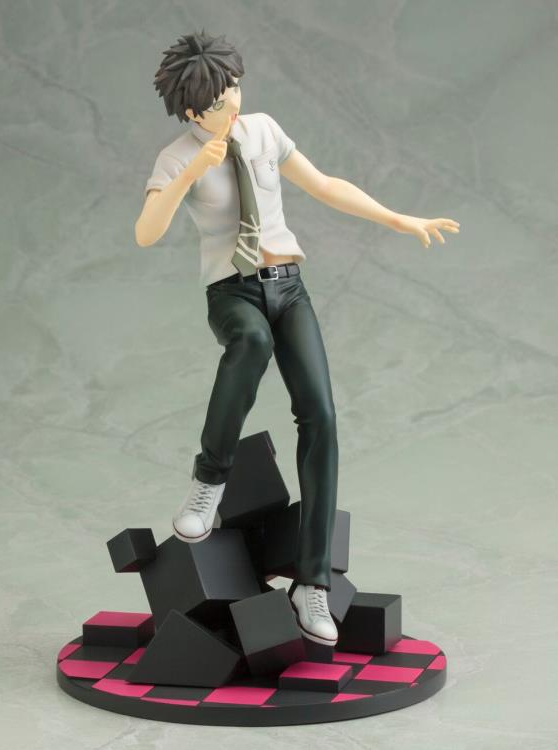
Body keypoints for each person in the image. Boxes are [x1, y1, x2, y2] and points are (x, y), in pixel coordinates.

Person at [134, 29, 460, 647]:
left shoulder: (261, 130)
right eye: (218, 101)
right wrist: (190, 174)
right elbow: (147, 232)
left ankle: (311, 582)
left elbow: (324, 183)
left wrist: (397, 218)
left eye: (235, 88)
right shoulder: (177, 156)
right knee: (250, 343)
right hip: (232, 293)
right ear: (192, 112)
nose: (233, 104)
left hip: (289, 288)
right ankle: (208, 480)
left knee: (322, 418)